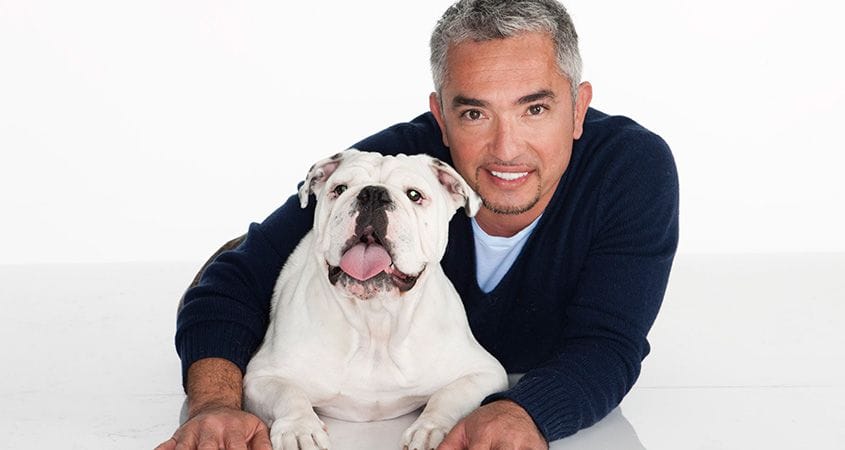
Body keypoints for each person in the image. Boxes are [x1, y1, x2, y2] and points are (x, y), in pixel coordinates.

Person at [158, 0, 679, 448]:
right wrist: (213, 406)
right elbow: (232, 279)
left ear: (579, 106)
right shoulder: (392, 170)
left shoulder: (630, 170)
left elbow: (608, 343)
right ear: (441, 117)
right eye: (475, 113)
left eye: (535, 109)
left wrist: (527, 412)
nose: (506, 148)